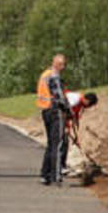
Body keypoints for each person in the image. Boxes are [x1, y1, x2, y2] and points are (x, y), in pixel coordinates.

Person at [36, 53, 70, 185]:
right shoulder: (54, 76)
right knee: (58, 144)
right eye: (62, 64)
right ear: (57, 64)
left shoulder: (45, 74)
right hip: (55, 111)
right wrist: (67, 109)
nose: (64, 67)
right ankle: (56, 175)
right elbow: (59, 96)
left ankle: (45, 174)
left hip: (45, 110)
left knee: (51, 143)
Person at [62, 91, 98, 176]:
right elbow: (63, 111)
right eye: (90, 105)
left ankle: (61, 165)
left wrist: (77, 137)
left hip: (61, 117)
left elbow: (75, 119)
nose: (89, 107)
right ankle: (59, 167)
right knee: (62, 143)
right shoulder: (75, 100)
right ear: (87, 101)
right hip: (54, 114)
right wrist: (65, 127)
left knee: (64, 143)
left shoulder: (80, 105)